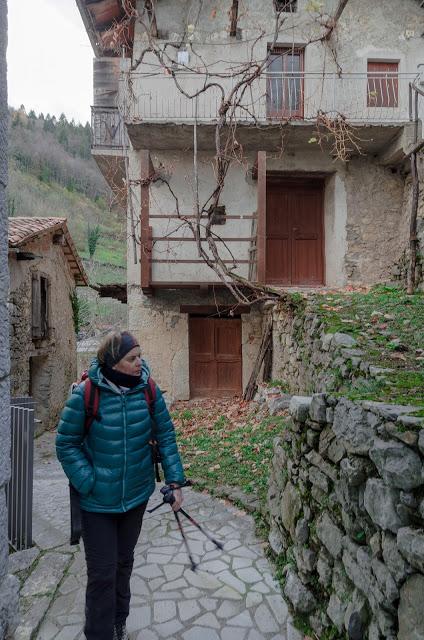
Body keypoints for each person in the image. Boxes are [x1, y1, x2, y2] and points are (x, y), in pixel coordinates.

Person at [56, 330, 186, 640]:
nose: (140, 362)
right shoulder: (86, 393)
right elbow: (66, 444)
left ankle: (118, 623)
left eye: (140, 355)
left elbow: (166, 435)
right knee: (102, 574)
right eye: (132, 358)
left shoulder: (148, 390)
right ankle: (99, 633)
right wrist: (90, 481)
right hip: (96, 504)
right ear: (114, 362)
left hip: (136, 496)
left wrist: (175, 481)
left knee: (123, 564)